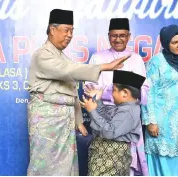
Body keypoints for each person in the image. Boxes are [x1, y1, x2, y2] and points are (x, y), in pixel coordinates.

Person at [27, 9, 129, 176]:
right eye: (66, 30)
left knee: (66, 167)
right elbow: (69, 71)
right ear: (53, 30)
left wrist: (78, 120)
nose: (69, 35)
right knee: (44, 166)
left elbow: (71, 88)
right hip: (46, 123)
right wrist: (105, 66)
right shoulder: (42, 55)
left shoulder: (60, 56)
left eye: (72, 31)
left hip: (64, 122)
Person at [85, 18, 149, 175]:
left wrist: (112, 92)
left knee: (126, 164)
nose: (118, 39)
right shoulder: (97, 58)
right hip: (102, 113)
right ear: (108, 36)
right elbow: (89, 88)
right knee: (102, 157)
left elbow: (145, 90)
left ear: (128, 36)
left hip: (127, 117)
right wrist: (108, 94)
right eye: (114, 35)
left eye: (122, 35)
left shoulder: (136, 59)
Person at [141, 24, 178, 176]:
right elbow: (148, 93)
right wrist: (150, 121)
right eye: (174, 42)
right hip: (163, 120)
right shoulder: (157, 61)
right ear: (166, 42)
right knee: (164, 153)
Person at [81, 70, 146, 176]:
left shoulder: (129, 112)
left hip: (112, 158)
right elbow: (105, 118)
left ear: (125, 93)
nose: (111, 94)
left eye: (114, 90)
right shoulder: (123, 107)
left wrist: (92, 111)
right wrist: (97, 101)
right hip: (104, 156)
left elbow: (109, 132)